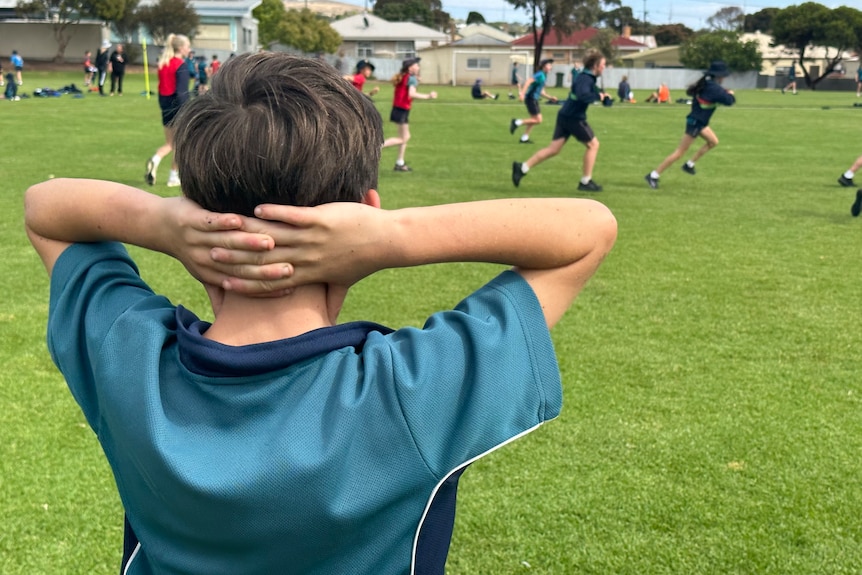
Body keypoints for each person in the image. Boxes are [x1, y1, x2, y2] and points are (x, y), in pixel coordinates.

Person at [24, 52, 618, 575]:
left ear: (194, 209)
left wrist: (160, 221)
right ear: (366, 210)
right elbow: (589, 230)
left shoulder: (127, 357)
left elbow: (44, 209)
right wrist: (393, 237)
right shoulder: (407, 392)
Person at [512, 51, 608, 192]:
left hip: (565, 115)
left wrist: (600, 96)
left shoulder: (585, 77)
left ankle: (522, 168)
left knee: (554, 149)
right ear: (595, 65)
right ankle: (585, 181)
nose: (604, 68)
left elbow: (582, 92)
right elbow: (583, 95)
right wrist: (598, 96)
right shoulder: (586, 78)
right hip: (574, 118)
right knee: (593, 145)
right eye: (603, 65)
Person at [644, 61, 736, 189]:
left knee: (713, 142)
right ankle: (653, 175)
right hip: (695, 123)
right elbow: (729, 101)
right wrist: (730, 94)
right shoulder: (713, 88)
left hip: (701, 122)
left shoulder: (708, 84)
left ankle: (689, 164)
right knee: (679, 152)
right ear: (719, 76)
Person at [145, 33, 192, 188]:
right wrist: (188, 111)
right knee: (180, 145)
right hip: (178, 108)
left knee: (170, 143)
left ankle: (156, 159)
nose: (189, 49)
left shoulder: (164, 64)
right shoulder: (181, 66)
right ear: (180, 48)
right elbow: (181, 93)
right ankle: (173, 177)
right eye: (187, 46)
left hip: (165, 106)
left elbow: (161, 89)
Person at [382, 57, 437, 172]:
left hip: (398, 109)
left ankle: (400, 163)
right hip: (401, 110)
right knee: (404, 138)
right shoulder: (411, 78)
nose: (418, 67)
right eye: (417, 65)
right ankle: (377, 147)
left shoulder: (404, 76)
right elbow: (411, 94)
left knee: (404, 138)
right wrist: (428, 96)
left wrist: (416, 80)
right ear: (410, 67)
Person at [509, 59, 557, 144]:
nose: (551, 67)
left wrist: (550, 98)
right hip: (531, 99)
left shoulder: (544, 75)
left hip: (533, 99)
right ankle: (517, 122)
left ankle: (524, 138)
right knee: (538, 120)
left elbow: (541, 92)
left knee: (533, 119)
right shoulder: (540, 74)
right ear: (544, 66)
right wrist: (522, 94)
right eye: (549, 65)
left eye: (551, 65)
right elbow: (528, 82)